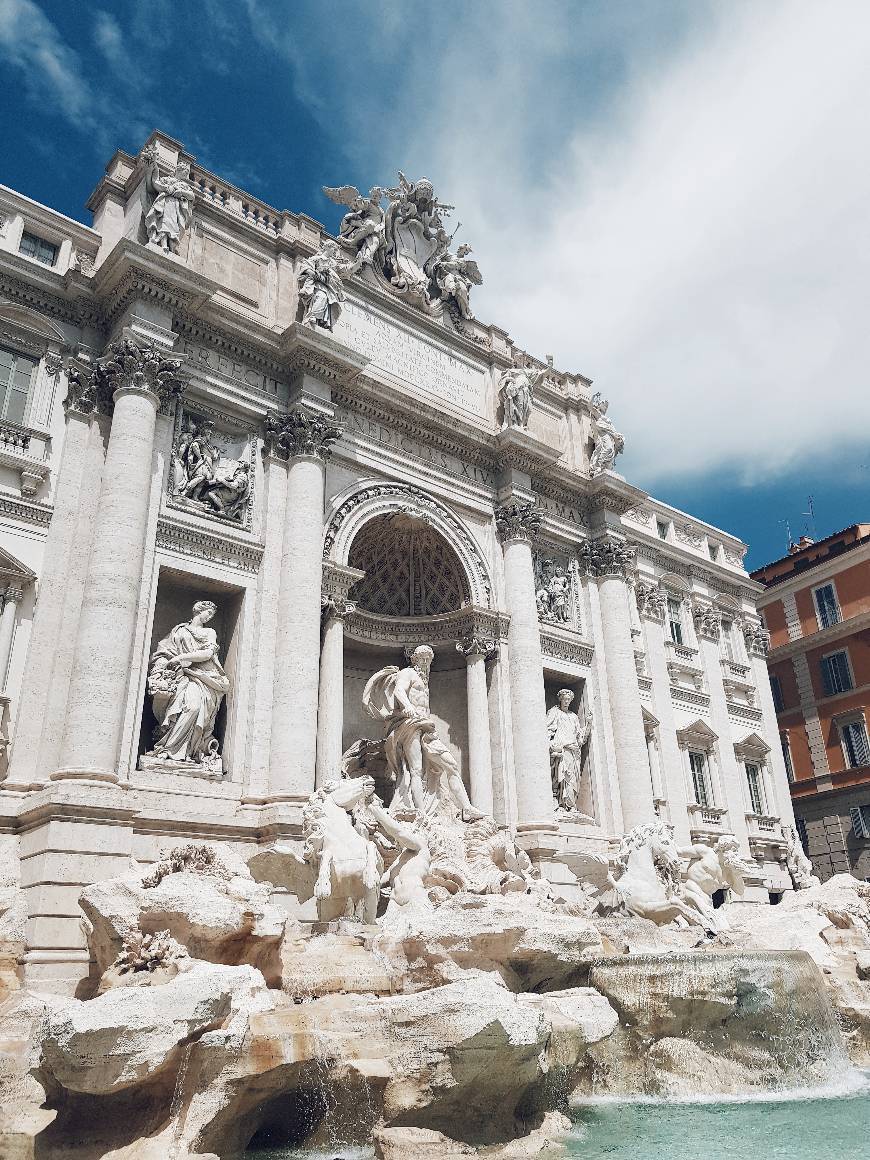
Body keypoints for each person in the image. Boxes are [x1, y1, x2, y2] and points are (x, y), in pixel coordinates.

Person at [363, 645, 484, 822]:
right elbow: (399, 691)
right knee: (416, 770)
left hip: (426, 727)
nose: (426, 661)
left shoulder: (424, 679)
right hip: (410, 724)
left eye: (428, 658)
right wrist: (409, 707)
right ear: (414, 659)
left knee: (451, 765)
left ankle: (467, 808)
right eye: (422, 658)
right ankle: (422, 814)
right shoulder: (408, 673)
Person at [146, 600, 230, 764]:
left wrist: (181, 657)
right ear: (199, 610)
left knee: (194, 707)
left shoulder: (210, 632)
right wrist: (163, 665)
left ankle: (181, 750)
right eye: (208, 612)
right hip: (179, 675)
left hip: (203, 676)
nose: (210, 616)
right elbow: (165, 651)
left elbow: (207, 654)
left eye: (212, 615)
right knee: (179, 709)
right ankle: (168, 750)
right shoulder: (179, 630)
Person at [546, 689, 590, 815]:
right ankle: (561, 804)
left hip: (574, 751)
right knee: (563, 777)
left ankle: (571, 806)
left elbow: (581, 738)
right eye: (564, 699)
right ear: (560, 699)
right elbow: (547, 729)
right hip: (562, 749)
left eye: (569, 700)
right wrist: (551, 745)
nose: (566, 701)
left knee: (573, 780)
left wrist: (588, 723)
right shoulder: (555, 712)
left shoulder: (574, 716)